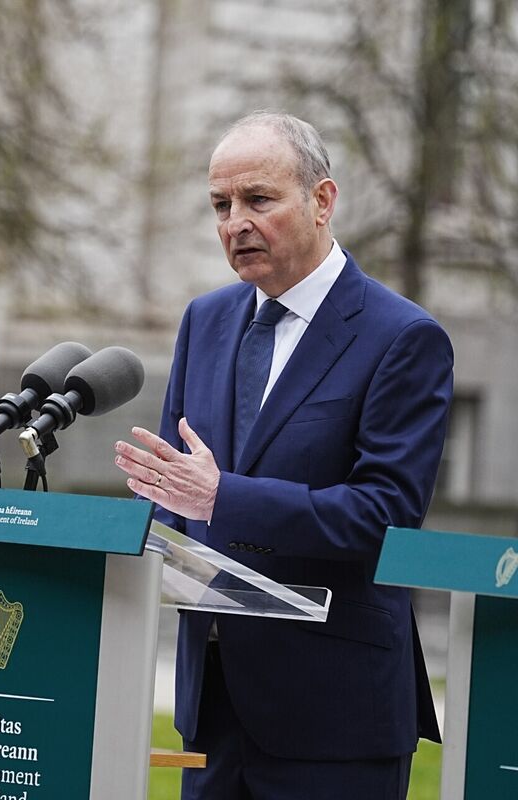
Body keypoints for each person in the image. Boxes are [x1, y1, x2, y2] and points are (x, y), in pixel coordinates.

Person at [113, 111, 451, 799]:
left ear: (322, 201)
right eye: (220, 204)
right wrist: (149, 525)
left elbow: (384, 515)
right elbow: (181, 490)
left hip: (335, 715)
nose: (235, 221)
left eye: (258, 200)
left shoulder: (403, 338)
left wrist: (221, 497)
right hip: (213, 708)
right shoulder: (203, 321)